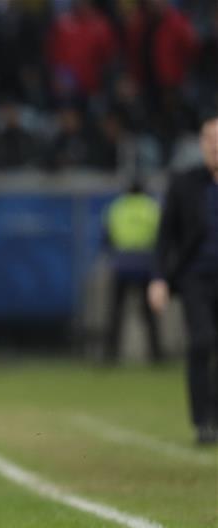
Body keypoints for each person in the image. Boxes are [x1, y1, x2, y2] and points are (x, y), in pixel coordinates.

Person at [147, 116, 218, 445]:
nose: (214, 144)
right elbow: (166, 236)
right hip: (196, 278)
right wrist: (159, 278)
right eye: (208, 138)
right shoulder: (185, 183)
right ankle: (202, 420)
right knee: (202, 341)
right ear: (201, 144)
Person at [103, 179, 163, 363]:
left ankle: (111, 354)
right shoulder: (152, 207)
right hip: (146, 263)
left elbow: (106, 237)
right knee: (149, 314)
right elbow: (162, 237)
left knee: (116, 312)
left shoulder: (116, 208)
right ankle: (156, 355)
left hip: (122, 264)